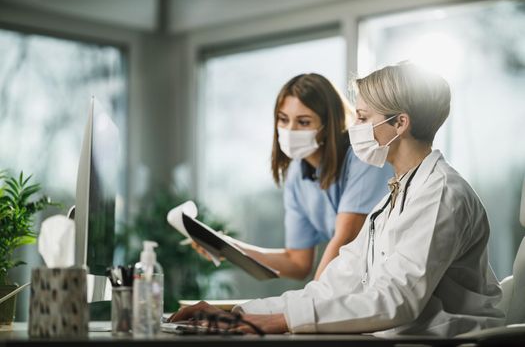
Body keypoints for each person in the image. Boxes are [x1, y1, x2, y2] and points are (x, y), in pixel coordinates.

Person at [170, 63, 505, 336]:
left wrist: (284, 320)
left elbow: (396, 300)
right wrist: (238, 312)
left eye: (362, 118)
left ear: (400, 123)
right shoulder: (391, 199)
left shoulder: (440, 193)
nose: (353, 128)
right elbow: (331, 286)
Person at [196, 73, 392, 280]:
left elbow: (345, 240)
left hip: (387, 276)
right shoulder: (297, 175)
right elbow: (297, 263)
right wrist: (227, 246)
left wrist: (310, 302)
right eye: (283, 119)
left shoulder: (362, 157)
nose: (290, 130)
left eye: (304, 122)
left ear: (328, 126)